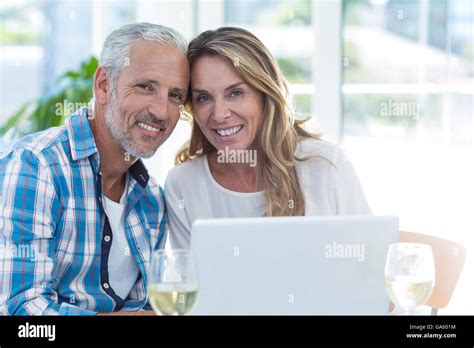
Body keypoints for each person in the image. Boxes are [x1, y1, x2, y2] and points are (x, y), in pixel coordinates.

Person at [0, 22, 189, 315]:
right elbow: (21, 314)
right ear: (103, 85)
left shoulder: (152, 200)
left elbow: (143, 307)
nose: (162, 111)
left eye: (175, 95)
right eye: (145, 87)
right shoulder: (37, 167)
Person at [165, 27, 371, 249]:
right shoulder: (183, 185)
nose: (219, 114)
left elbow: (365, 261)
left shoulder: (326, 165)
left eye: (235, 93)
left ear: (265, 94)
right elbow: (188, 280)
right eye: (204, 98)